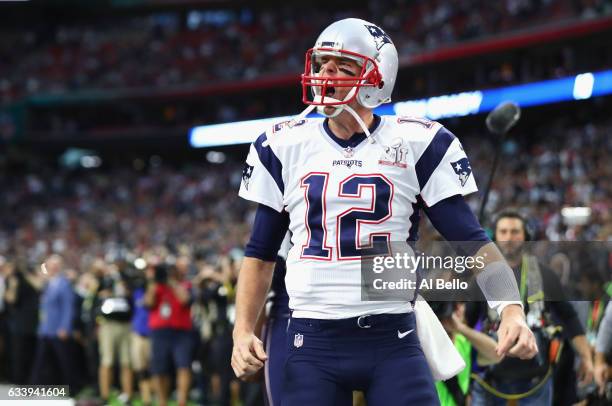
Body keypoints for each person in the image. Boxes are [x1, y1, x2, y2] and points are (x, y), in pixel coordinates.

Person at [231, 18, 537, 405]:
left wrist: (510, 310)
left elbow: (472, 240)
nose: (326, 73)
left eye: (343, 67)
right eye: (322, 63)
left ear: (377, 80)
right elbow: (259, 254)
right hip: (310, 340)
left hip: (392, 339)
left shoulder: (416, 142)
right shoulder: (284, 144)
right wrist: (242, 330)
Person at [468, 211, 593, 406]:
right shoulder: (481, 279)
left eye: (515, 232)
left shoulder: (545, 276)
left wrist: (587, 358)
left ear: (526, 236)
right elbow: (465, 325)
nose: (509, 237)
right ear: (494, 237)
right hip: (490, 378)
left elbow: (570, 319)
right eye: (504, 232)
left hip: (536, 379)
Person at [144, 262, 194, 406]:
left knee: (183, 365)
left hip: (181, 332)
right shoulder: (156, 287)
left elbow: (185, 300)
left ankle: (182, 402)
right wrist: (154, 283)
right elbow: (148, 303)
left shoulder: (184, 285)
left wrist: (172, 283)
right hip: (160, 332)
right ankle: (162, 402)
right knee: (159, 369)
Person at [30, 254, 80, 392]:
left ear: (57, 267)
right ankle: (35, 387)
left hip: (58, 329)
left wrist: (65, 327)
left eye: (51, 266)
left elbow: (68, 308)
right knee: (40, 360)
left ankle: (72, 389)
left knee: (64, 361)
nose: (49, 268)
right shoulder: (48, 283)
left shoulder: (63, 284)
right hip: (46, 328)